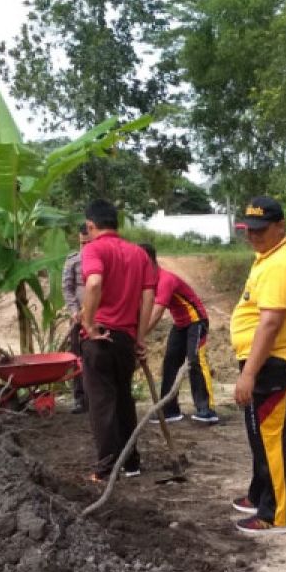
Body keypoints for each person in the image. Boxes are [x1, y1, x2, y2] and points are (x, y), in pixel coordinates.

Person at [229, 196, 286, 535]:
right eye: (248, 230)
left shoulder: (281, 265)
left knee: (270, 437)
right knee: (259, 433)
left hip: (272, 362)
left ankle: (276, 514)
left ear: (280, 226)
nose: (253, 237)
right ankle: (260, 493)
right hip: (264, 360)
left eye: (260, 231)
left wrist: (249, 374)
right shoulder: (268, 255)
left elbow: (271, 324)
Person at [79, 199, 158, 482]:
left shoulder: (93, 249)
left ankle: (105, 467)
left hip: (100, 337)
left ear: (91, 225)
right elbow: (148, 296)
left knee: (101, 401)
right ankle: (131, 462)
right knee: (124, 397)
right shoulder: (139, 254)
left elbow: (94, 283)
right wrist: (140, 337)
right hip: (126, 338)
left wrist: (88, 324)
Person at [140, 243, 219, 425]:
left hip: (196, 321)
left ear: (149, 261)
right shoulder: (148, 282)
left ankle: (207, 409)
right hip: (180, 324)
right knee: (170, 363)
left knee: (195, 360)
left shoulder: (166, 279)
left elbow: (157, 312)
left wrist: (140, 336)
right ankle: (169, 410)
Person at [62, 223, 90, 414]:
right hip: (77, 319)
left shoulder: (105, 258)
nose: (85, 247)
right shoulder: (73, 260)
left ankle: (95, 398)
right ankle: (80, 399)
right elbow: (67, 287)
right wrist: (74, 310)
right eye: (82, 243)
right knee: (77, 359)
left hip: (100, 319)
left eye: (88, 243)